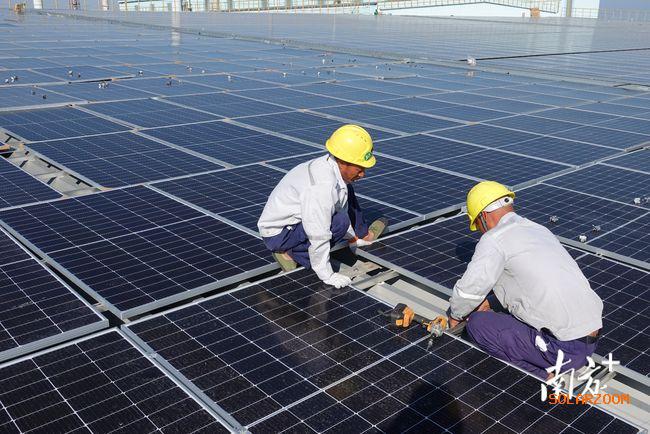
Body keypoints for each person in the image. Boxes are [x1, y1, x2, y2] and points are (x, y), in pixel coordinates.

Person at [447, 181, 603, 380]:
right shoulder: (538, 230)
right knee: (498, 312)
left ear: (483, 216)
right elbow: (530, 280)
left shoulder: (494, 240)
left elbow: (468, 292)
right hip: (589, 340)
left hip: (564, 350)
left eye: (476, 224)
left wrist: (456, 317)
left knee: (478, 325)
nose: (479, 230)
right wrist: (490, 302)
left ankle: (541, 376)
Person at [258, 124, 388, 288]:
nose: (363, 174)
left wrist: (353, 238)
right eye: (359, 168)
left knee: (345, 196)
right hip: (279, 234)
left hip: (293, 223)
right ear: (343, 161)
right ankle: (291, 254)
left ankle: (356, 235)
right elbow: (318, 233)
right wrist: (327, 274)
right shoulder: (321, 187)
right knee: (339, 222)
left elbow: (340, 206)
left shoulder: (330, 167)